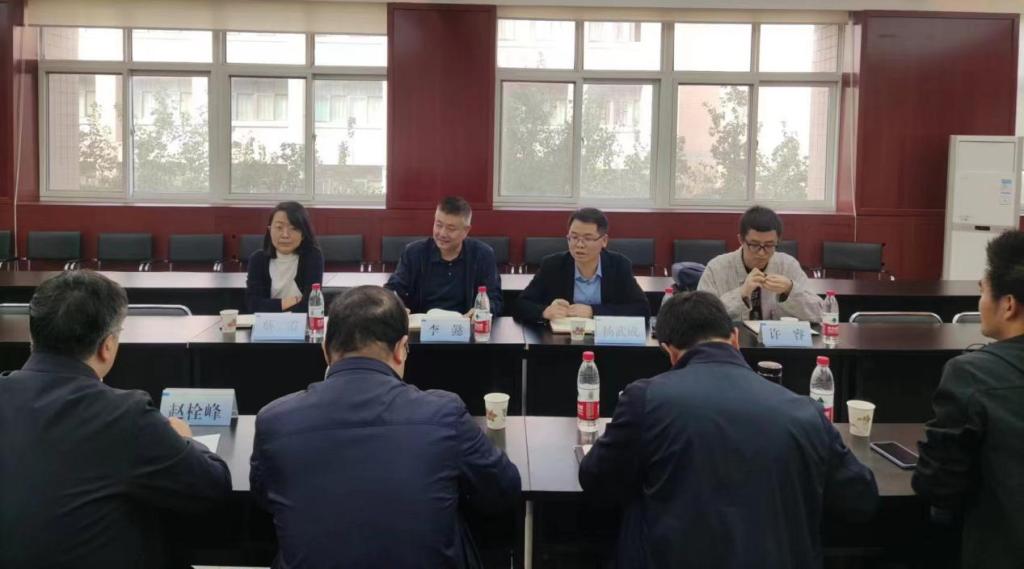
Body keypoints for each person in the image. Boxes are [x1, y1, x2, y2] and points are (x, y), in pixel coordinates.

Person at [579, 291, 879, 569]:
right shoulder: (805, 412)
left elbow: (596, 480)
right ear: (735, 338)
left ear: (669, 351)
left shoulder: (646, 399)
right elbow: (860, 499)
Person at [250, 285, 521, 568]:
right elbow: (504, 488)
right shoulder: (443, 413)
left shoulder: (274, 421)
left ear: (325, 350)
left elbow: (264, 497)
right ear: (402, 348)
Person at [0, 271, 231, 567]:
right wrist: (186, 439)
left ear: (32, 336)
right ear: (107, 346)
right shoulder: (125, 415)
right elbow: (211, 486)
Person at [913, 230, 1024, 569]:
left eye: (982, 291)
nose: (980, 301)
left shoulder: (972, 374)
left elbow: (938, 485)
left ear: (1008, 305)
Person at [514, 207, 650, 323]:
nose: (579, 245)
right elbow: (520, 305)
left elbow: (642, 309)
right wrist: (545, 312)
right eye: (574, 237)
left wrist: (593, 311)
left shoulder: (619, 265)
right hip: (562, 341)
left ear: (604, 241)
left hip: (605, 341)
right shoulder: (553, 265)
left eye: (588, 238)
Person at [698, 205, 822, 321]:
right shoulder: (717, 268)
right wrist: (741, 293)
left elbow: (819, 314)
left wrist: (790, 289)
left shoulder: (788, 265)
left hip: (777, 337)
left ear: (778, 241)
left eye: (769, 245)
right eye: (754, 245)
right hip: (732, 336)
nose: (762, 253)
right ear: (741, 240)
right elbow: (700, 317)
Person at [385, 196, 503, 315]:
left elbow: (494, 298)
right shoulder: (413, 253)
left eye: (451, 229)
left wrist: (482, 312)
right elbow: (392, 289)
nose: (442, 233)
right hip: (422, 323)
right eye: (438, 225)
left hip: (465, 323)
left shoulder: (482, 255)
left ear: (466, 231)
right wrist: (396, 307)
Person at [246, 201, 325, 313]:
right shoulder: (258, 259)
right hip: (267, 323)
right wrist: (288, 302)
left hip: (301, 323)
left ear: (303, 234)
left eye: (293, 228)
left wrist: (270, 306)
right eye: (279, 227)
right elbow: (253, 305)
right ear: (270, 230)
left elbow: (310, 305)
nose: (285, 235)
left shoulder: (312, 257)